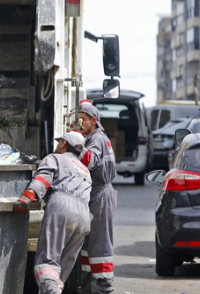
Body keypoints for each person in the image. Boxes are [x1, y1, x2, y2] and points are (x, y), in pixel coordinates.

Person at [14, 132, 92, 294]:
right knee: (61, 270)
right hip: (84, 216)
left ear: (64, 143)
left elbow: (43, 179)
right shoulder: (85, 170)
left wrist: (27, 198)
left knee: (47, 263)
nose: (57, 145)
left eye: (59, 142)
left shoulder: (55, 158)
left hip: (62, 207)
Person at [77, 101, 117, 294]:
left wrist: (74, 144)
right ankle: (87, 286)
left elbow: (90, 161)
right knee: (88, 243)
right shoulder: (96, 138)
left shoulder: (96, 139)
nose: (80, 123)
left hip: (101, 195)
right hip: (96, 194)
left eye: (83, 120)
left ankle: (103, 287)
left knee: (100, 243)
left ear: (94, 121)